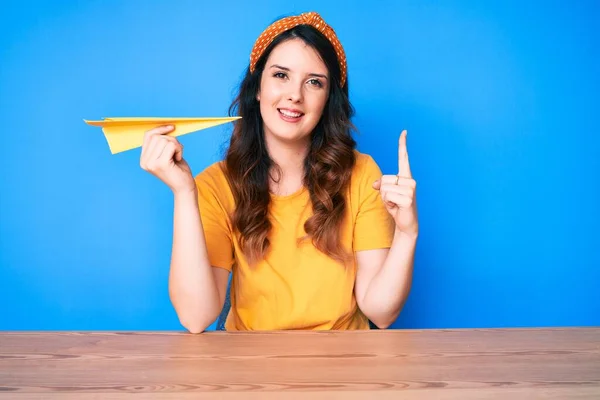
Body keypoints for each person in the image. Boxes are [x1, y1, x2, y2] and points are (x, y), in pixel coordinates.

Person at [139, 11, 418, 333]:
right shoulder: (216, 185)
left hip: (345, 367)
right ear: (257, 88)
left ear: (328, 100)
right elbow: (196, 317)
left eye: (314, 82)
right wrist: (184, 193)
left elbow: (381, 314)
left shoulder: (361, 174)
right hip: (249, 370)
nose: (295, 95)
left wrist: (407, 233)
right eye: (281, 75)